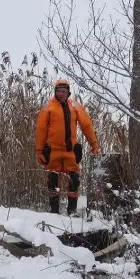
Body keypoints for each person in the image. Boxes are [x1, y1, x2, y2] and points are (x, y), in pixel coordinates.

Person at [35, 79, 101, 216]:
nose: (60, 94)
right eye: (58, 91)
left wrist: (94, 144)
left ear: (68, 92)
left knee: (74, 180)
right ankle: (54, 213)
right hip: (53, 151)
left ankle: (72, 212)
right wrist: (39, 151)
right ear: (55, 91)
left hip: (70, 151)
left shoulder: (75, 106)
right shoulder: (48, 107)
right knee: (53, 181)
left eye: (63, 91)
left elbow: (86, 126)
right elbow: (41, 129)